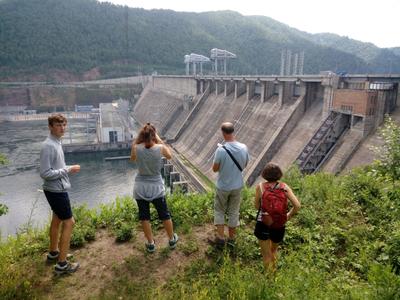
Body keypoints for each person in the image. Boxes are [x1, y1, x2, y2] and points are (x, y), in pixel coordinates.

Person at [40, 113, 81, 275]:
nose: (62, 128)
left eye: (64, 125)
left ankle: (54, 253)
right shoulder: (49, 145)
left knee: (57, 219)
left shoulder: (56, 142)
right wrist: (68, 169)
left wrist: (67, 168)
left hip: (55, 188)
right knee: (70, 222)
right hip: (56, 190)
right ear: (50, 127)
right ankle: (62, 265)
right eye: (58, 125)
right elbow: (45, 173)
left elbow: (56, 167)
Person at [130, 123, 178, 253]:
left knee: (144, 216)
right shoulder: (160, 148)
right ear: (153, 136)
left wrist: (138, 140)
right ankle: (172, 239)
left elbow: (133, 159)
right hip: (156, 186)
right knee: (164, 214)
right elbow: (169, 156)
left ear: (142, 136)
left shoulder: (136, 147)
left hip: (140, 186)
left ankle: (151, 243)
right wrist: (159, 138)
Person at [254, 163, 301, 271]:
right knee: (273, 251)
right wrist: (288, 215)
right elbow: (297, 206)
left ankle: (269, 279)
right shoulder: (284, 187)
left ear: (264, 174)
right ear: (279, 174)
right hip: (279, 224)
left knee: (266, 255)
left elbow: (257, 206)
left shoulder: (260, 187)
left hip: (263, 223)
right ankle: (274, 273)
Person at [210, 122, 249, 247]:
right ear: (233, 131)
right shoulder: (244, 147)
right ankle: (232, 239)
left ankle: (221, 238)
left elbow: (215, 169)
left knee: (220, 210)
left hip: (223, 186)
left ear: (223, 133)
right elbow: (245, 164)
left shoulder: (220, 150)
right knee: (234, 211)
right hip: (237, 185)